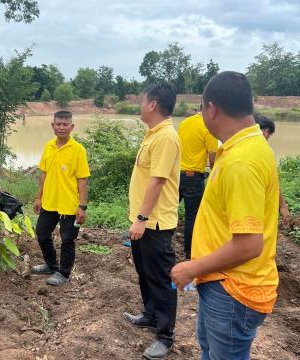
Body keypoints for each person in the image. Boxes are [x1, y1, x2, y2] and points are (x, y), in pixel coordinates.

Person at [171, 72, 279, 359]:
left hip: (233, 289)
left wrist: (191, 268)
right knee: (210, 351)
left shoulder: (241, 161)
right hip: (221, 281)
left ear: (212, 108)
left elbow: (248, 244)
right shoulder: (242, 148)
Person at [123, 83, 180, 359]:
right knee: (144, 272)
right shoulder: (152, 134)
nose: (139, 104)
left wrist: (142, 218)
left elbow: (157, 181)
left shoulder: (166, 137)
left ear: (153, 104)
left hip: (154, 223)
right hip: (142, 221)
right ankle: (150, 314)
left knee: (160, 278)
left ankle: (165, 336)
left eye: (142, 100)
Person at [32, 111, 90, 286]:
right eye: (58, 124)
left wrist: (82, 206)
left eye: (65, 125)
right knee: (41, 233)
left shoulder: (78, 150)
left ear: (71, 127)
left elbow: (83, 179)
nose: (61, 128)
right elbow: (43, 174)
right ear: (53, 126)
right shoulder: (49, 146)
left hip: (69, 205)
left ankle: (63, 273)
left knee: (67, 239)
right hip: (49, 202)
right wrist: (38, 197)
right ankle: (51, 265)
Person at [178, 106, 217, 259]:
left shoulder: (184, 123)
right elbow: (213, 159)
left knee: (167, 211)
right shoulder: (209, 128)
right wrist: (215, 178)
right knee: (191, 216)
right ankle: (189, 252)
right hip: (193, 178)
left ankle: (159, 244)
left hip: (176, 175)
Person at [254, 114, 291, 226]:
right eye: (269, 136)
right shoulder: (265, 151)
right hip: (260, 207)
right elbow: (274, 181)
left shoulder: (235, 146)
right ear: (266, 132)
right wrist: (283, 206)